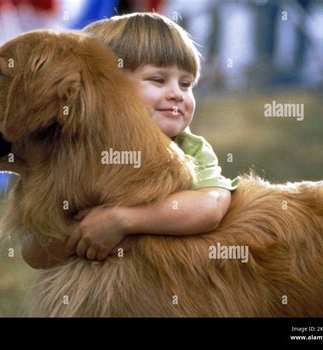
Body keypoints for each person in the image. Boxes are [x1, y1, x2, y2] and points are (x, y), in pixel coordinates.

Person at [22, 12, 239, 268]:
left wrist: (123, 220)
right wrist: (84, 233)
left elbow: (211, 206)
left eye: (186, 84)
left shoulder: (188, 147)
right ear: (104, 88)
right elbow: (34, 253)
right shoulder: (77, 152)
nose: (178, 94)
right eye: (158, 80)